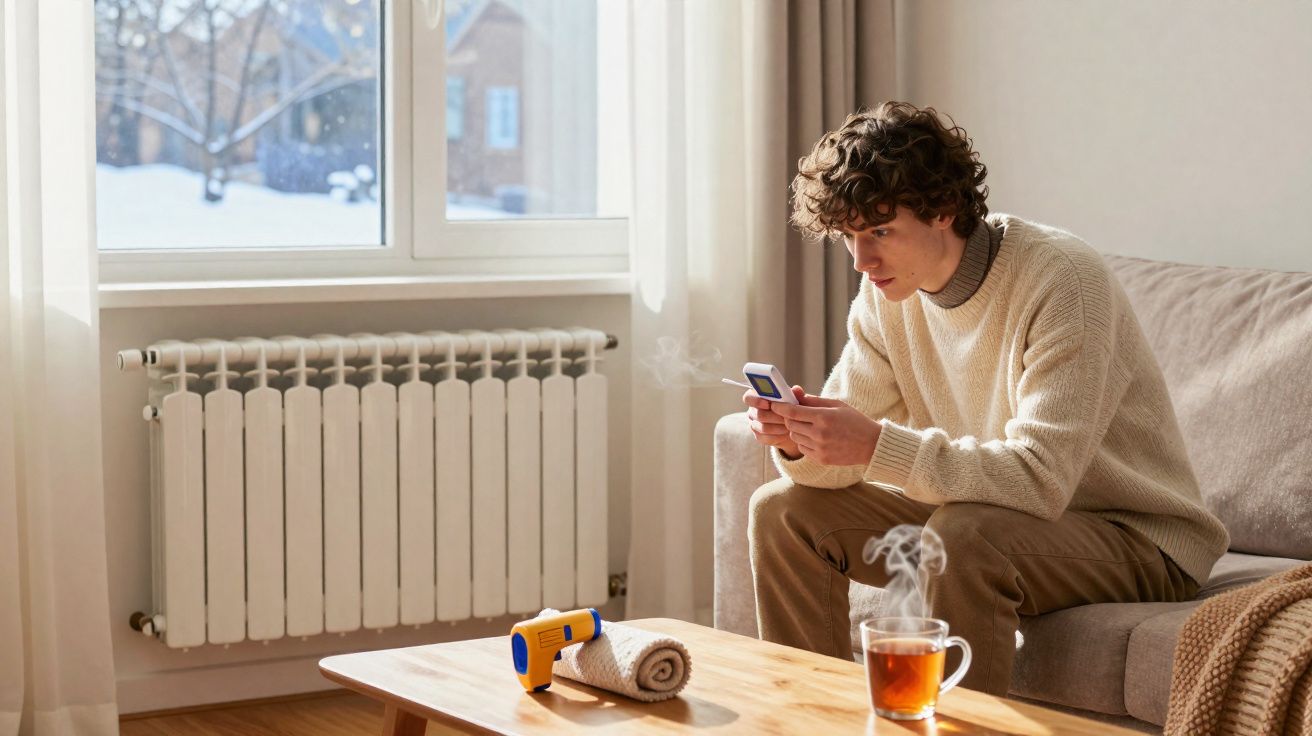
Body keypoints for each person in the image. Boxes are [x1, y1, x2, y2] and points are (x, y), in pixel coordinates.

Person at [743, 101, 1228, 696]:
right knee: (782, 512)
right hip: (990, 515)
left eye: (880, 231)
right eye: (848, 237)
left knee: (964, 537)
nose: (862, 261)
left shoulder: (1062, 280)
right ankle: (807, 720)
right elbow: (830, 472)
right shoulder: (884, 298)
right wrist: (801, 441)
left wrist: (872, 445)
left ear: (943, 209)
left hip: (1132, 537)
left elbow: (1039, 480)